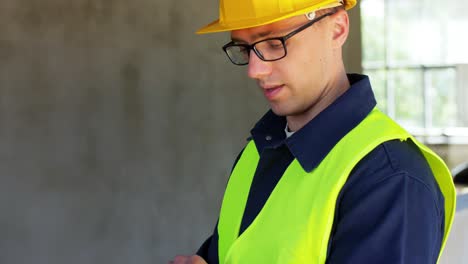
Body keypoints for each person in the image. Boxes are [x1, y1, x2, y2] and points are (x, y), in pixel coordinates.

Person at [169, 0, 456, 263]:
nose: (255, 70)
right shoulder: (257, 153)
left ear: (337, 29)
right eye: (245, 49)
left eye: (273, 43)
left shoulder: (389, 178)